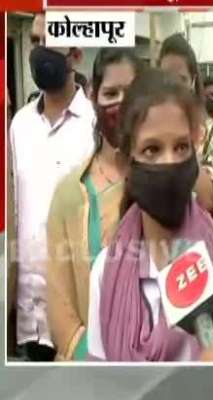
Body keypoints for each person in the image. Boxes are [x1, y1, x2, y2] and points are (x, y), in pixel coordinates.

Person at [86, 69, 213, 362]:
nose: (169, 162)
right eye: (152, 149)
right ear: (126, 163)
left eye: (181, 147)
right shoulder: (105, 273)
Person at [47, 49, 142, 361]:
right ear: (92, 97)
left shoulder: (163, 184)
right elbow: (60, 305)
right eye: (111, 93)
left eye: (131, 93)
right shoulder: (69, 194)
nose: (121, 103)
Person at [11, 12, 95, 361]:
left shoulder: (94, 125)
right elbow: (16, 212)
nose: (37, 51)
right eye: (33, 41)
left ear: (75, 53)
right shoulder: (19, 126)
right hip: (28, 318)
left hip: (78, 315)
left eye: (47, 42)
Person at [157, 33, 213, 218]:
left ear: (192, 81)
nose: (173, 87)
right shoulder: (149, 133)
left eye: (181, 79)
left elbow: (208, 199)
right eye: (166, 78)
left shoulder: (212, 133)